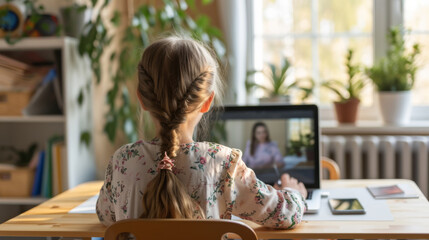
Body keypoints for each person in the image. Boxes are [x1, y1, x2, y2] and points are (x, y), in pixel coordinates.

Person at [96, 36, 307, 229]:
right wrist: (294, 193)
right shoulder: (223, 164)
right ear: (207, 102)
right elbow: (284, 214)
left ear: (141, 99)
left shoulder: (122, 161)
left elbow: (105, 215)